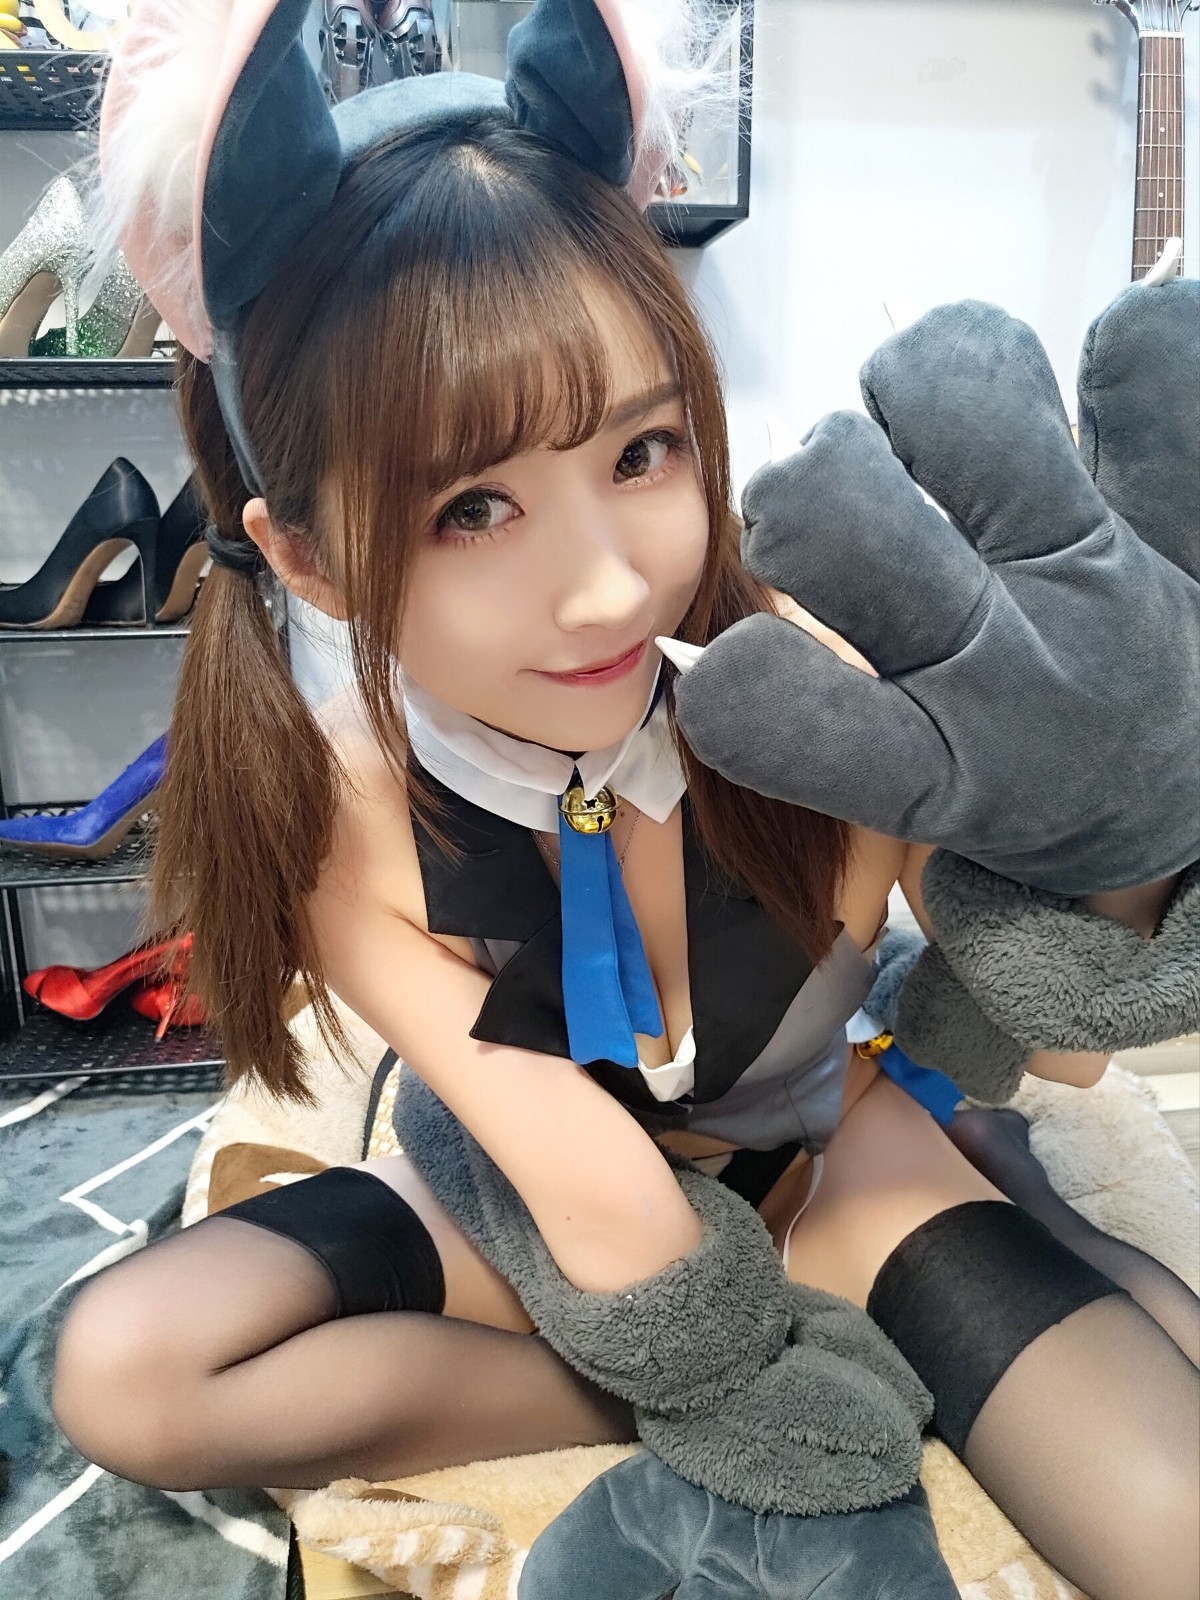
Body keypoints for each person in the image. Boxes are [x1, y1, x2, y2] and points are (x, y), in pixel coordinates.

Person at [48, 3, 1198, 1596]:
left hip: (823, 1156)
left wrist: (1132, 817)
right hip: (529, 1204)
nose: (602, 585)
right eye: (470, 508)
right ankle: (737, 1379)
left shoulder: (820, 673)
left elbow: (1058, 1030)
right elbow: (580, 1182)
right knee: (128, 1370)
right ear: (305, 555)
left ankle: (920, 1280)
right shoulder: (344, 802)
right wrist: (704, 1372)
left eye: (643, 452)